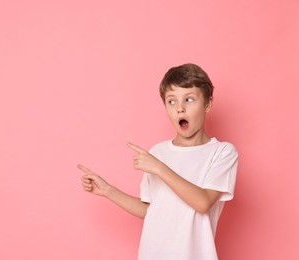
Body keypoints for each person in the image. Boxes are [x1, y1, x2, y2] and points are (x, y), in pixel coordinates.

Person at [77, 63, 238, 260]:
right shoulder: (158, 152)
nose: (180, 108)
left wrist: (159, 168)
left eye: (189, 99)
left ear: (207, 103)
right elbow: (152, 211)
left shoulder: (222, 152)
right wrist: (108, 191)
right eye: (171, 102)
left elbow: (203, 202)